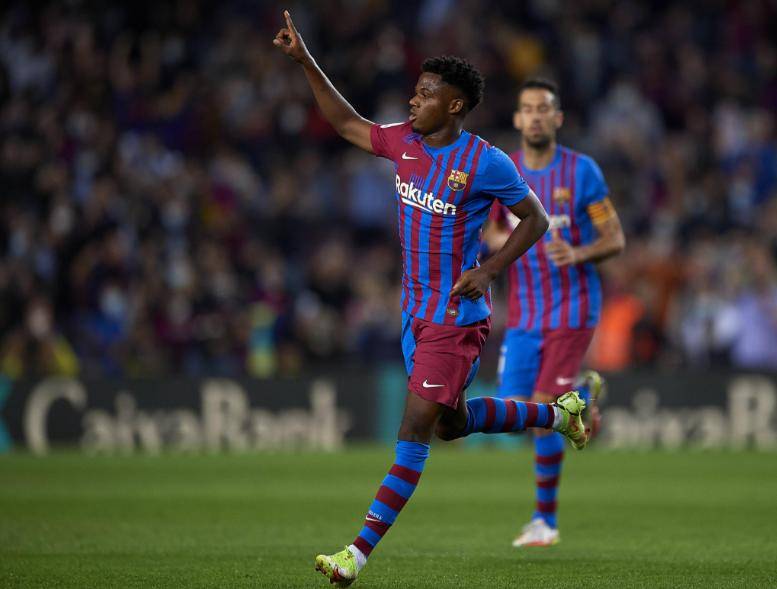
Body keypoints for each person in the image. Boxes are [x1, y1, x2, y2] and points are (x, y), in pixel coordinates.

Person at [274, 13, 590, 586]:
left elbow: (536, 219)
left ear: (454, 105)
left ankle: (355, 555)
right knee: (451, 424)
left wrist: (490, 269)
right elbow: (345, 123)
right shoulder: (404, 142)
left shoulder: (486, 162)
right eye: (416, 92)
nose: (413, 100)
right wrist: (305, 60)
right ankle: (557, 414)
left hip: (454, 319)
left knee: (414, 430)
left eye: (425, 94)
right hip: (414, 316)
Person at [483, 78, 625, 548]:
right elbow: (490, 232)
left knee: (544, 405)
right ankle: (583, 392)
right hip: (524, 315)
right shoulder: (504, 171)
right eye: (528, 109)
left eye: (544, 108)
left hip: (573, 308)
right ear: (517, 118)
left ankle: (544, 520)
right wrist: (507, 242)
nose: (536, 116)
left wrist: (578, 253)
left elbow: (615, 239)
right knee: (517, 416)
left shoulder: (582, 172)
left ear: (558, 118)